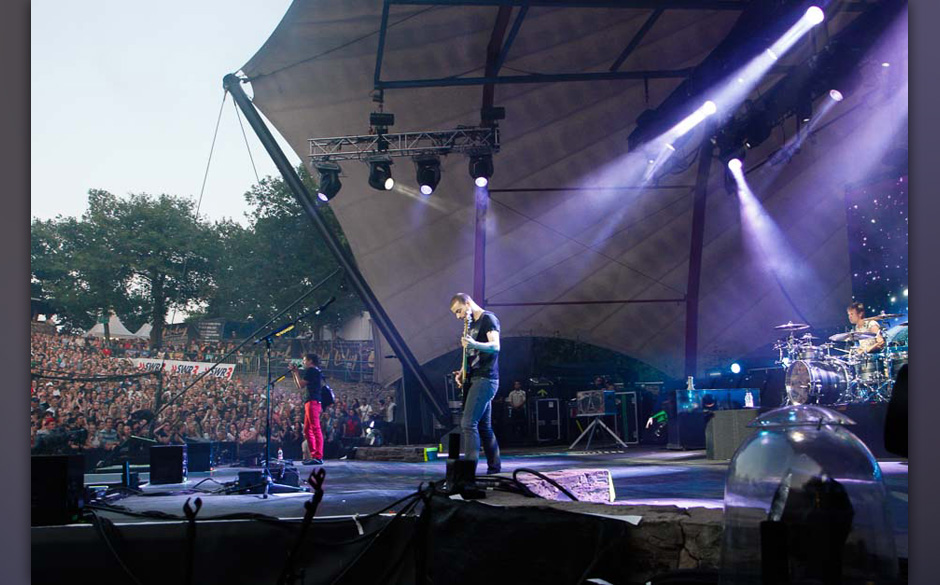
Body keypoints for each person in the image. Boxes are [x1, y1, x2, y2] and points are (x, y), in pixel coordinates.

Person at [450, 293, 501, 474]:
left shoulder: (488, 319)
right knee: (484, 427)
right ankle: (494, 468)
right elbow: (472, 355)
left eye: (459, 311)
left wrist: (474, 344)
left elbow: (495, 346)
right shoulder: (471, 325)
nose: (458, 316)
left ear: (468, 303)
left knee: (468, 424)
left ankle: (468, 473)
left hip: (486, 378)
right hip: (475, 377)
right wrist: (462, 372)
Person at [291, 353, 324, 465]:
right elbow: (299, 385)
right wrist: (295, 373)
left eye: (304, 360)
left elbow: (300, 384)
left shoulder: (311, 371)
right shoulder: (314, 371)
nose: (303, 362)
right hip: (311, 402)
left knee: (315, 428)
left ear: (310, 361)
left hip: (312, 402)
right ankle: (313, 455)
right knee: (307, 430)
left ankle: (318, 456)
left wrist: (296, 373)